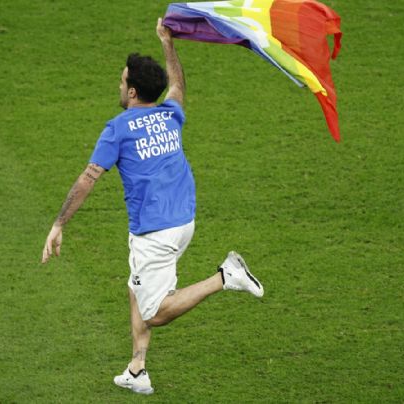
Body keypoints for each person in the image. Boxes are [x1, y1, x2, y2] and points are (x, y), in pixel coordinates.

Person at [41, 18, 264, 395]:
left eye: (122, 79)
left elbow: (88, 178)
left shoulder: (119, 128)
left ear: (131, 92)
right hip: (182, 219)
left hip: (155, 230)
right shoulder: (169, 114)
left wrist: (59, 223)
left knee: (155, 311)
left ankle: (225, 276)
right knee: (135, 285)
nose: (119, 83)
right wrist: (168, 43)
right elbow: (178, 85)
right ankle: (137, 368)